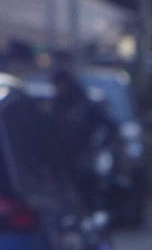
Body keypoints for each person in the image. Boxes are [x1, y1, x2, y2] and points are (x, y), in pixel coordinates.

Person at [46, 66, 115, 213]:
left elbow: (110, 126)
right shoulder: (56, 105)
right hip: (61, 160)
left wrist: (100, 146)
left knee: (87, 195)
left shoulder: (84, 104)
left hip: (83, 158)